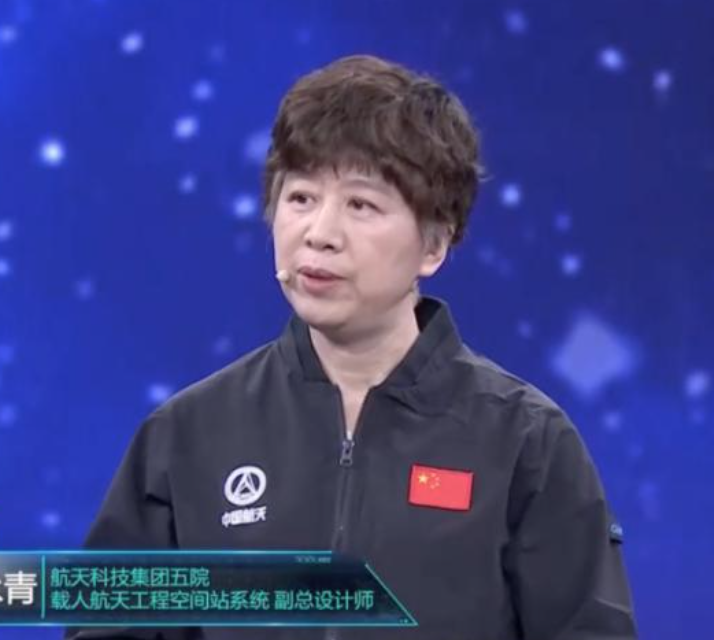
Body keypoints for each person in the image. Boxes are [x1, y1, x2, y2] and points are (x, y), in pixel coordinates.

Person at [66, 54, 637, 640]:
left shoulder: (525, 443)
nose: (320, 234)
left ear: (434, 245)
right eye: (301, 198)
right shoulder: (187, 434)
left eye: (360, 205)